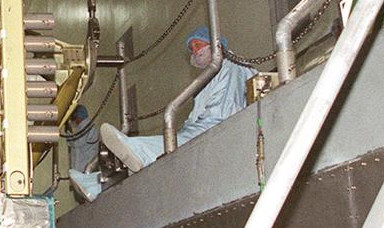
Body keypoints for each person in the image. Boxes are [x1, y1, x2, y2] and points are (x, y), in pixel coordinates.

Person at [71, 27, 256, 201]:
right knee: (149, 155)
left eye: (198, 45)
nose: (195, 52)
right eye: (192, 49)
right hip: (199, 131)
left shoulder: (231, 68)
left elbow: (220, 116)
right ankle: (95, 183)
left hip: (216, 132)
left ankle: (136, 150)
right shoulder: (208, 80)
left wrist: (189, 132)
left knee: (157, 149)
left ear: (216, 44)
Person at [63, 105, 100, 203]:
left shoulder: (88, 127)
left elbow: (76, 143)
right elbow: (74, 144)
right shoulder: (82, 128)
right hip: (81, 170)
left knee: (89, 199)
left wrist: (68, 133)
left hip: (86, 170)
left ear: (77, 117)